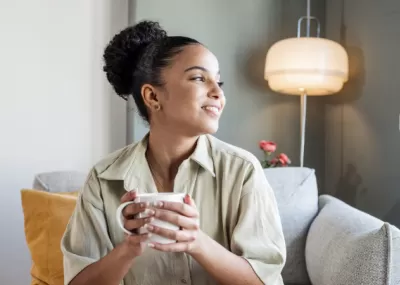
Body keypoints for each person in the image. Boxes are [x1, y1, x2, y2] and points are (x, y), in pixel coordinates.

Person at [61, 20, 286, 285]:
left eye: (219, 81)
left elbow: (266, 282)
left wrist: (197, 242)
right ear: (153, 97)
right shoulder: (103, 178)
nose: (218, 92)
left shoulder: (242, 170)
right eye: (199, 78)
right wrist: (129, 249)